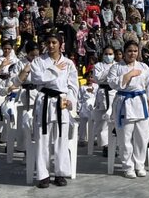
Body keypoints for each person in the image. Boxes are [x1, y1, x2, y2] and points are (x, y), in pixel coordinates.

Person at [29, 32, 79, 188]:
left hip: (60, 102)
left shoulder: (69, 63)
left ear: (60, 44)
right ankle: (43, 175)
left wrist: (70, 99)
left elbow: (73, 85)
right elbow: (37, 79)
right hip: (44, 102)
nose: (51, 45)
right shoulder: (38, 61)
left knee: (61, 139)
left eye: (54, 42)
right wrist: (54, 70)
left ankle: (60, 173)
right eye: (48, 42)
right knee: (42, 140)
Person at [107, 40, 149, 178]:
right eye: (129, 51)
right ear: (124, 52)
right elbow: (111, 83)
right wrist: (128, 75)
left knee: (142, 137)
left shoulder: (144, 67)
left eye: (135, 51)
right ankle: (128, 166)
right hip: (124, 103)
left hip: (141, 102)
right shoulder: (116, 67)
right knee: (125, 137)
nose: (132, 53)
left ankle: (139, 164)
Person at [89, 45, 116, 156]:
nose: (108, 56)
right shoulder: (98, 65)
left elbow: (117, 79)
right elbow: (98, 78)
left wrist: (110, 74)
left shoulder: (118, 65)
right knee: (102, 121)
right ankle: (105, 146)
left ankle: (114, 145)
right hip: (102, 93)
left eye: (110, 54)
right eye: (106, 54)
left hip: (114, 93)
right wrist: (110, 72)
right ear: (102, 54)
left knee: (114, 120)